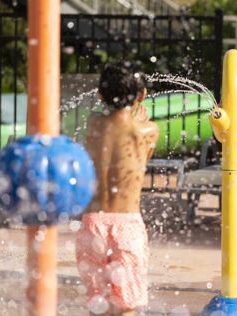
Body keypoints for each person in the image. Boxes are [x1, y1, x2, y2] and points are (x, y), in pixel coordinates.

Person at [75, 61, 159, 315]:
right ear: (141, 96)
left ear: (100, 95)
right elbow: (140, 161)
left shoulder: (92, 124)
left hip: (92, 226)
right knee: (127, 307)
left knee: (98, 306)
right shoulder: (147, 130)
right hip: (126, 226)